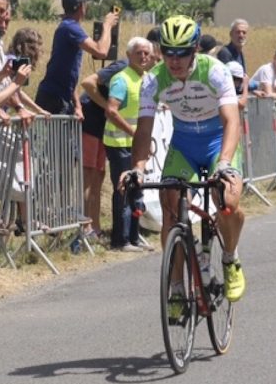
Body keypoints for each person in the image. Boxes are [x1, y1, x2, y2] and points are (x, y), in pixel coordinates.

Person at [120, 16, 247, 309]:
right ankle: (177, 288)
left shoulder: (214, 71)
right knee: (170, 208)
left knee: (227, 200)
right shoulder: (153, 79)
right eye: (168, 52)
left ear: (195, 50)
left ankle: (230, 258)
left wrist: (225, 161)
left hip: (217, 143)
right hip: (184, 146)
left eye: (182, 53)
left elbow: (231, 121)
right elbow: (144, 129)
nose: (174, 60)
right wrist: (137, 168)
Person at [103, 37, 155, 251]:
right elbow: (111, 109)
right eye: (138, 53)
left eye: (146, 53)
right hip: (119, 144)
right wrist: (133, 132)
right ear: (129, 55)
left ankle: (134, 236)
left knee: (137, 190)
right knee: (124, 190)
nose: (143, 57)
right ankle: (121, 239)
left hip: (136, 146)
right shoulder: (121, 79)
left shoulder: (147, 78)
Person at [34, 0, 117, 115]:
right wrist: (107, 26)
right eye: (85, 3)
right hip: (54, 98)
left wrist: (77, 105)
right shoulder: (70, 27)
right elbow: (101, 51)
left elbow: (67, 74)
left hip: (57, 96)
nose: (87, 7)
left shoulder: (68, 26)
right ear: (80, 6)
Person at [77, 45, 130, 245]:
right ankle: (85, 227)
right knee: (89, 175)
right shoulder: (122, 65)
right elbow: (88, 83)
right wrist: (105, 105)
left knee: (99, 176)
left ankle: (95, 227)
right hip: (91, 120)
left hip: (103, 126)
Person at [216, 19, 249, 95]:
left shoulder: (240, 53)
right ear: (231, 34)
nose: (241, 35)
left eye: (244, 32)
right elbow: (228, 81)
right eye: (238, 32)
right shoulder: (225, 53)